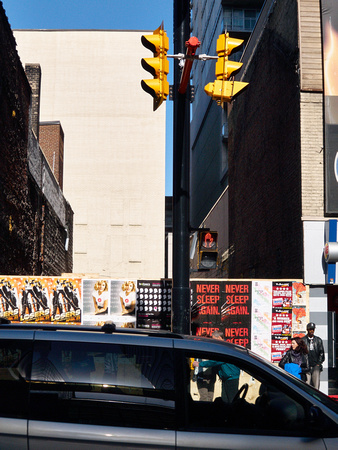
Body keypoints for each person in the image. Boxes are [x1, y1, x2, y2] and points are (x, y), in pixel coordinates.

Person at [193, 330, 240, 403]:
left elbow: (216, 361)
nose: (213, 341)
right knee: (225, 400)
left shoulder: (224, 347)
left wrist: (200, 364)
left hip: (231, 378)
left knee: (232, 400)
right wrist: (220, 374)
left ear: (220, 338)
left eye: (214, 338)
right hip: (225, 378)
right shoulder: (220, 347)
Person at [302, 322, 325, 389]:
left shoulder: (318, 340)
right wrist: (304, 363)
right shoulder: (303, 340)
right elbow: (302, 353)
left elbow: (321, 353)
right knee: (306, 385)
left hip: (316, 365)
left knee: (316, 385)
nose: (312, 331)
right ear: (307, 329)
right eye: (310, 329)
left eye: (313, 329)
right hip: (307, 365)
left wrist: (318, 363)